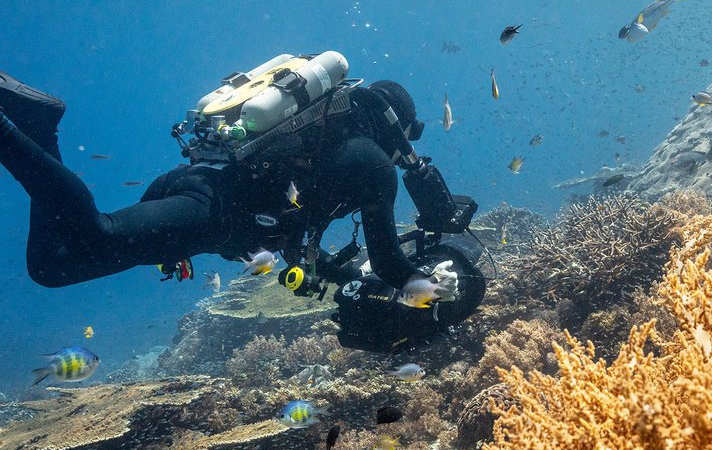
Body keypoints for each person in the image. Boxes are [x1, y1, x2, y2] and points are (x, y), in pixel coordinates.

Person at [0, 63, 481, 352]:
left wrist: (336, 273)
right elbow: (396, 265)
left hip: (196, 190)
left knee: (52, 264)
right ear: (395, 125)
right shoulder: (372, 163)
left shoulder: (333, 150)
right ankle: (13, 131)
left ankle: (40, 132)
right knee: (93, 236)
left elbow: (295, 239)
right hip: (212, 210)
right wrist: (437, 289)